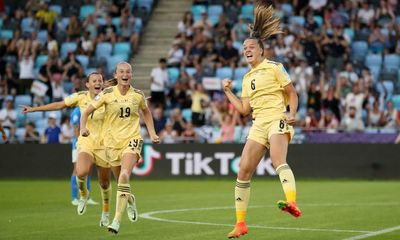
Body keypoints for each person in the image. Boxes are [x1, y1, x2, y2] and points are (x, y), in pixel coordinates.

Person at [222, 3, 301, 238]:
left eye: (251, 47)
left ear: (261, 50)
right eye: (244, 47)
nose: (247, 50)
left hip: (277, 117)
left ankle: (292, 202)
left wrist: (292, 112)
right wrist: (228, 92)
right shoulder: (246, 78)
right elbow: (244, 109)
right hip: (258, 124)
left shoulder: (275, 67)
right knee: (243, 170)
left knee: (278, 160)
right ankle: (240, 223)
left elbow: (292, 92)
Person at [22, 73, 113, 226]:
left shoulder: (108, 97)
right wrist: (34, 109)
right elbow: (59, 105)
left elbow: (125, 103)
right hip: (86, 143)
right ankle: (83, 194)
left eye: (100, 81)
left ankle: (105, 212)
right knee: (81, 171)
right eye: (94, 81)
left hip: (104, 145)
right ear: (88, 85)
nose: (98, 83)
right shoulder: (80, 97)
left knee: (104, 183)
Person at [80, 62, 160, 234]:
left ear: (131, 75)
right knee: (121, 182)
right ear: (116, 75)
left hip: (132, 140)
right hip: (112, 144)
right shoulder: (107, 94)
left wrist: (152, 133)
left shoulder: (138, 95)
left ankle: (116, 220)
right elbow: (86, 112)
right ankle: (130, 200)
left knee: (124, 175)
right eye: (121, 71)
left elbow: (146, 111)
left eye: (128, 72)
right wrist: (82, 128)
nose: (125, 74)